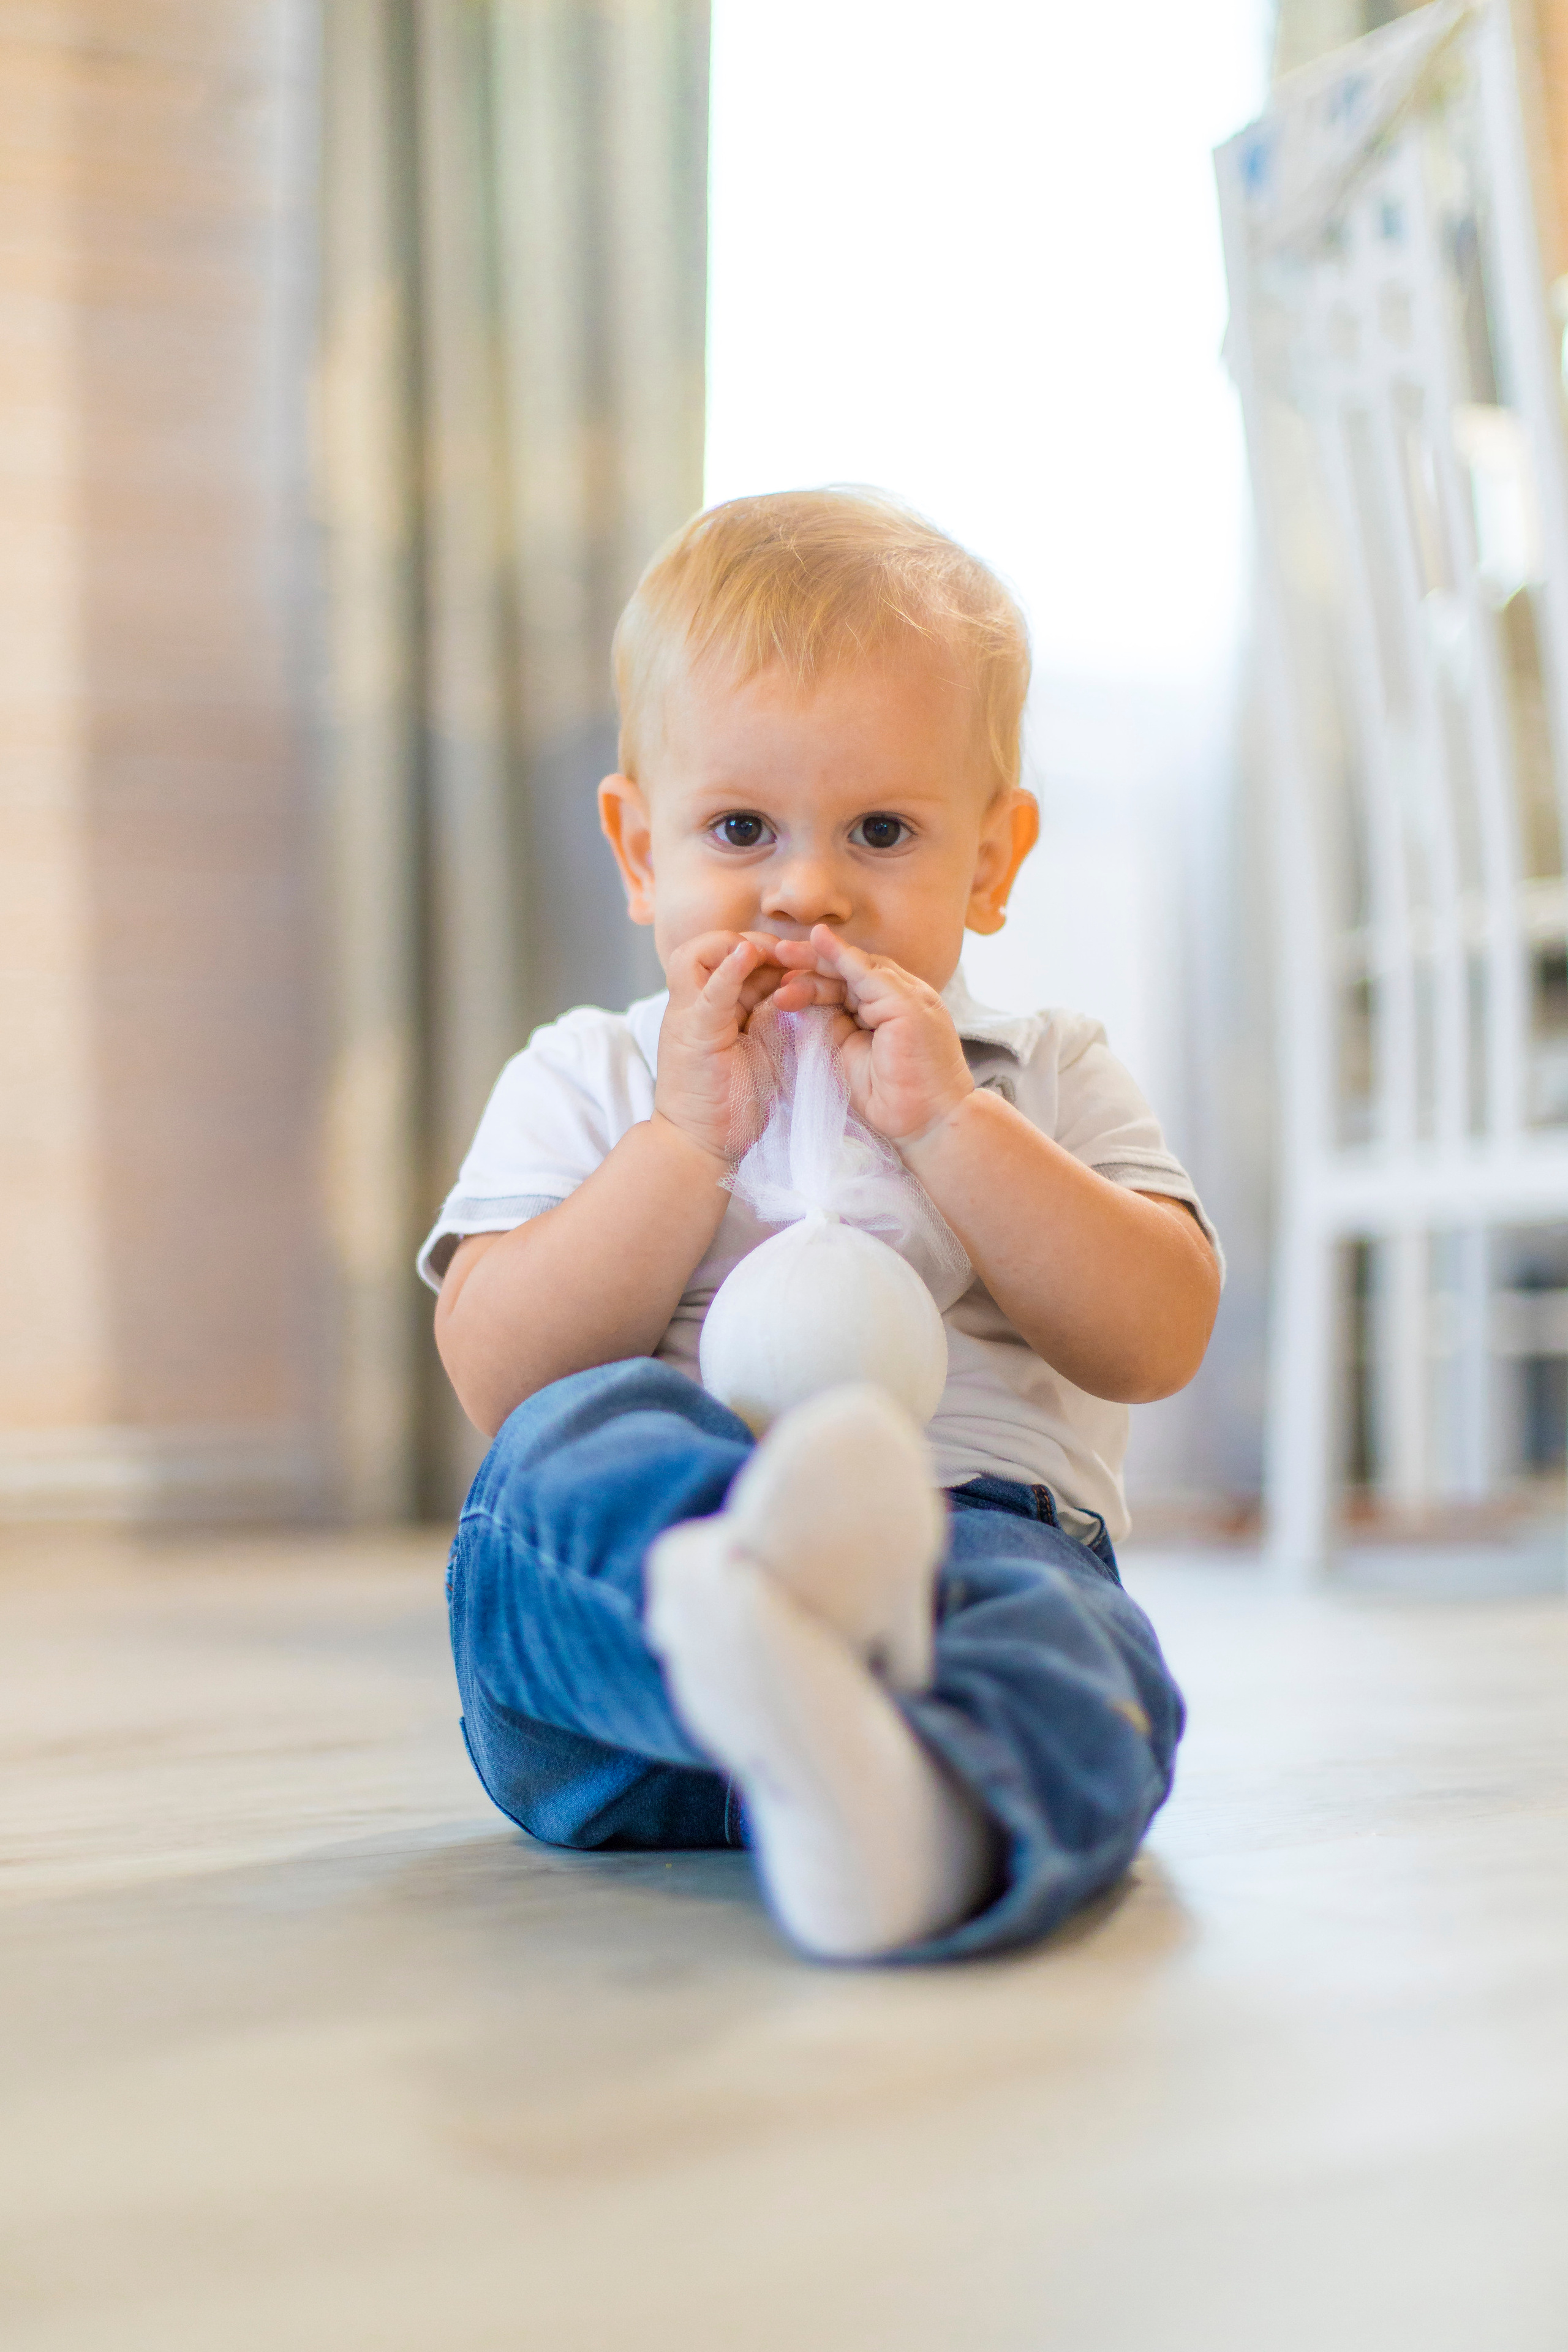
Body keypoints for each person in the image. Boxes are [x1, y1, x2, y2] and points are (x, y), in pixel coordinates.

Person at [419, 489, 1222, 1963]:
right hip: (641, 1665)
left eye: (880, 832)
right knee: (548, 1487)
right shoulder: (590, 1074)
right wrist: (680, 1146)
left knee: (1073, 1657)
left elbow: (1157, 1332)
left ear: (989, 857)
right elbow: (498, 1371)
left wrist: (954, 1130)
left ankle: (908, 1811)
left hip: (960, 1560)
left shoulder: (1040, 1071)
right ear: (638, 846)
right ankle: (764, 1631)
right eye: (739, 828)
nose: (807, 890)